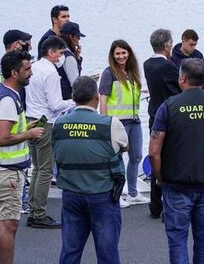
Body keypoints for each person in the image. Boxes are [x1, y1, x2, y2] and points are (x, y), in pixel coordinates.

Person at [149, 58, 204, 264]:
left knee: (178, 241)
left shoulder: (168, 107)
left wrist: (161, 178)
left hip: (177, 184)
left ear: (182, 78)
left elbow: (154, 151)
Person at [52, 76, 128, 264]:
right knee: (107, 254)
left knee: (70, 251)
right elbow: (124, 147)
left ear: (73, 96)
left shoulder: (59, 124)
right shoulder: (111, 123)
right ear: (96, 96)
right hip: (102, 193)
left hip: (71, 193)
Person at [25, 36, 75, 229]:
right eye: (61, 53)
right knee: (46, 169)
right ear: (51, 52)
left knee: (37, 168)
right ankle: (39, 213)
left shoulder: (34, 67)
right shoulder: (51, 72)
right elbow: (55, 105)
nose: (62, 57)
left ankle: (32, 209)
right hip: (45, 121)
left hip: (31, 120)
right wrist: (73, 102)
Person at [0, 51, 44, 264]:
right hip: (8, 172)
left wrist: (25, 127)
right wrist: (29, 134)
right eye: (26, 69)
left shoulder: (6, 94)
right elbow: (2, 137)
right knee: (9, 226)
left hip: (7, 170)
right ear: (13, 72)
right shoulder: (8, 99)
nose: (31, 73)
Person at [99, 40, 149, 208]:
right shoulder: (109, 73)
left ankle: (133, 193)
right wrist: (104, 122)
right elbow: (103, 99)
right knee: (116, 159)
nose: (121, 56)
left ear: (129, 53)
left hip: (134, 120)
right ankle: (116, 194)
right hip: (117, 122)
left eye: (123, 53)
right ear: (113, 55)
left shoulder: (132, 72)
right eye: (117, 53)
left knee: (136, 157)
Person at [143, 29, 180, 219]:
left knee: (155, 157)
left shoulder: (147, 64)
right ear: (167, 46)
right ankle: (170, 203)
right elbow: (179, 88)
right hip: (170, 116)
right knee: (171, 159)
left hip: (153, 113)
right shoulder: (170, 67)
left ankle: (155, 204)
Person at [58, 21, 85, 101]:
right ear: (71, 36)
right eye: (77, 36)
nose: (79, 39)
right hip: (67, 99)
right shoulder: (69, 57)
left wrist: (77, 58)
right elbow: (75, 83)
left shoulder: (59, 52)